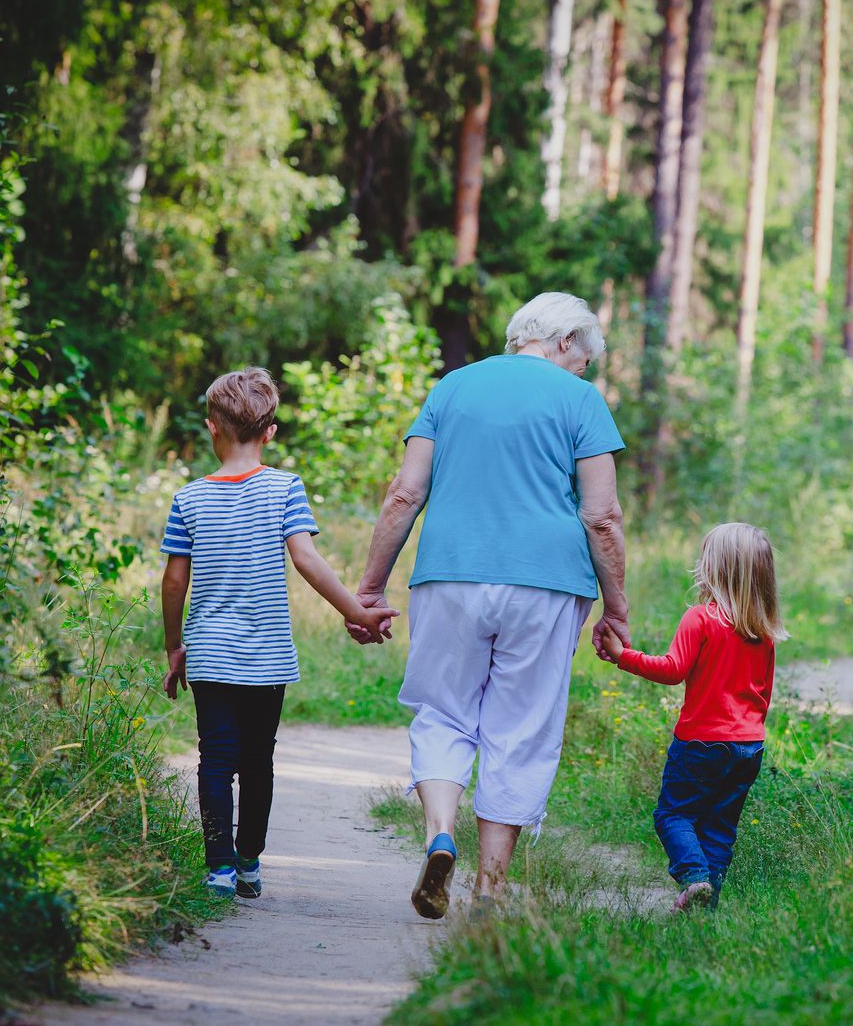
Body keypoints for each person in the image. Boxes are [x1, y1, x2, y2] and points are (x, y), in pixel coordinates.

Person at [347, 292, 629, 920]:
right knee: (520, 730)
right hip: (547, 583)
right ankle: (489, 892)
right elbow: (602, 516)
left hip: (450, 574)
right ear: (562, 341)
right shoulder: (579, 400)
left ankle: (441, 835)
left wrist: (369, 587)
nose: (584, 370)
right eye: (583, 357)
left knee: (444, 714)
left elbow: (404, 493)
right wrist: (617, 608)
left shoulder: (452, 388)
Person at [161, 367, 394, 898]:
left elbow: (175, 581)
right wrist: (356, 611)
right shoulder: (285, 488)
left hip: (212, 656)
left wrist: (176, 646)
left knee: (215, 758)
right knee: (258, 760)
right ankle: (248, 864)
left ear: (210, 428)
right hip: (265, 656)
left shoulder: (188, 499)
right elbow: (307, 559)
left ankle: (217, 868)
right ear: (270, 432)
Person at [597, 522, 786, 912]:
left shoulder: (701, 618)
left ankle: (695, 877)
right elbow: (763, 694)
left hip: (701, 742)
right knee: (719, 828)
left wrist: (622, 657)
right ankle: (705, 906)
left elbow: (672, 670)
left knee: (673, 815)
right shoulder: (764, 632)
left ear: (713, 569)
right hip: (749, 746)